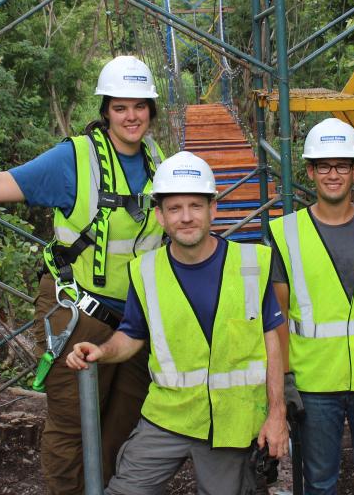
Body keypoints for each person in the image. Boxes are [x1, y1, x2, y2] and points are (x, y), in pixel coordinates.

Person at [0, 55, 165, 495]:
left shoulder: (156, 159)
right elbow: (5, 184)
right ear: (105, 111)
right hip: (80, 312)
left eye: (139, 106)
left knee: (124, 422)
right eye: (120, 107)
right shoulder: (75, 160)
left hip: (137, 318)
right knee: (73, 424)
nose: (131, 116)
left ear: (151, 111)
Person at [66, 151, 289, 495]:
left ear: (213, 209)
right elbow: (132, 334)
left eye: (195, 206)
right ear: (160, 215)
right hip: (167, 417)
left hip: (230, 422)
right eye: (174, 208)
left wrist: (277, 414)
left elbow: (271, 341)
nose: (186, 217)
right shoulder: (145, 271)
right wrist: (102, 351)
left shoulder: (251, 264)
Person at [268, 118, 354, 495]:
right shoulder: (286, 232)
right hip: (313, 384)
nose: (333, 174)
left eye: (341, 165)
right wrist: (286, 380)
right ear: (310, 171)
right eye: (323, 165)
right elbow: (277, 315)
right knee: (320, 484)